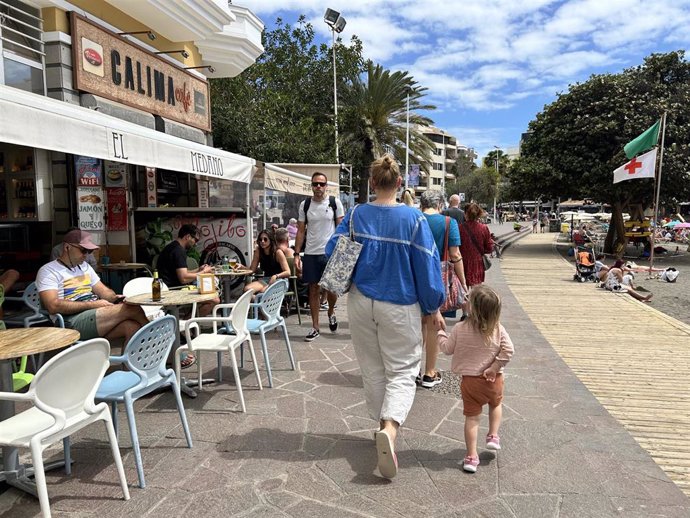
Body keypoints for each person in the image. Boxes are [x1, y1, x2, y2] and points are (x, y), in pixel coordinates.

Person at [326, 154, 445, 479]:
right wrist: (433, 306)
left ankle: (381, 425)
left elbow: (331, 251)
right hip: (399, 305)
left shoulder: (355, 215)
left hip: (361, 302)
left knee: (373, 369)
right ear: (400, 183)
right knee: (403, 370)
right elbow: (427, 267)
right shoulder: (414, 220)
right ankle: (389, 430)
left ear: (372, 183)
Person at [437, 285, 514, 473]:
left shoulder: (460, 328)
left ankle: (471, 457)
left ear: (471, 308)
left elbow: (447, 349)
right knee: (495, 405)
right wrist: (494, 368)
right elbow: (509, 350)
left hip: (470, 382)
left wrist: (439, 334)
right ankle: (493, 436)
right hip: (493, 381)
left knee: (472, 418)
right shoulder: (497, 329)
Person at [37, 229, 148, 345]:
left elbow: (103, 291)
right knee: (132, 309)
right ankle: (155, 336)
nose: (86, 255)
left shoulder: (85, 267)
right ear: (67, 247)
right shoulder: (48, 271)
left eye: (89, 251)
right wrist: (93, 304)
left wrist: (115, 298)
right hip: (69, 321)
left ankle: (133, 362)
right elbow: (53, 306)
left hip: (93, 313)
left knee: (132, 327)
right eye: (83, 250)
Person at [420, 190, 468, 389]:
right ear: (440, 204)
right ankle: (429, 373)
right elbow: (455, 255)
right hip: (438, 279)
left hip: (413, 277)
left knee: (417, 326)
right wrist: (463, 283)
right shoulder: (448, 223)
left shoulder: (413, 219)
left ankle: (413, 370)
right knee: (433, 325)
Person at [294, 172, 345, 342]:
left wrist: (340, 252)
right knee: (313, 289)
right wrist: (296, 253)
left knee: (331, 289)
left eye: (321, 184)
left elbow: (341, 228)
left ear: (326, 186)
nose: (318, 187)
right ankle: (315, 327)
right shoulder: (305, 205)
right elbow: (301, 230)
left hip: (329, 253)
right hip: (311, 253)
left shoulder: (334, 202)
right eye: (315, 184)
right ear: (311, 185)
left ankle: (331, 310)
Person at [157, 224, 220, 316]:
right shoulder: (178, 251)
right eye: (195, 240)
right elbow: (184, 278)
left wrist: (199, 269)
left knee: (208, 295)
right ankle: (187, 324)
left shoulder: (173, 247)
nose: (196, 243)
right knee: (214, 300)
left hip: (167, 287)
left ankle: (186, 324)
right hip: (173, 290)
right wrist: (204, 272)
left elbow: (182, 273)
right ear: (188, 237)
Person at [244, 229, 291, 294]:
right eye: (260, 239)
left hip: (280, 280)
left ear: (271, 240)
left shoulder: (278, 252)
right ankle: (258, 302)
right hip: (265, 279)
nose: (262, 241)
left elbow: (288, 272)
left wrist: (276, 276)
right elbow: (252, 270)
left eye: (265, 239)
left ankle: (259, 301)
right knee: (247, 290)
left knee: (263, 292)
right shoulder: (258, 251)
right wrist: (242, 268)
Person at [459, 203, 493, 287]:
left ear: (465, 214)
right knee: (476, 292)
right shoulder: (483, 228)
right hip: (477, 264)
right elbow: (489, 248)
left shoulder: (459, 228)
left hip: (462, 263)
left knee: (463, 292)